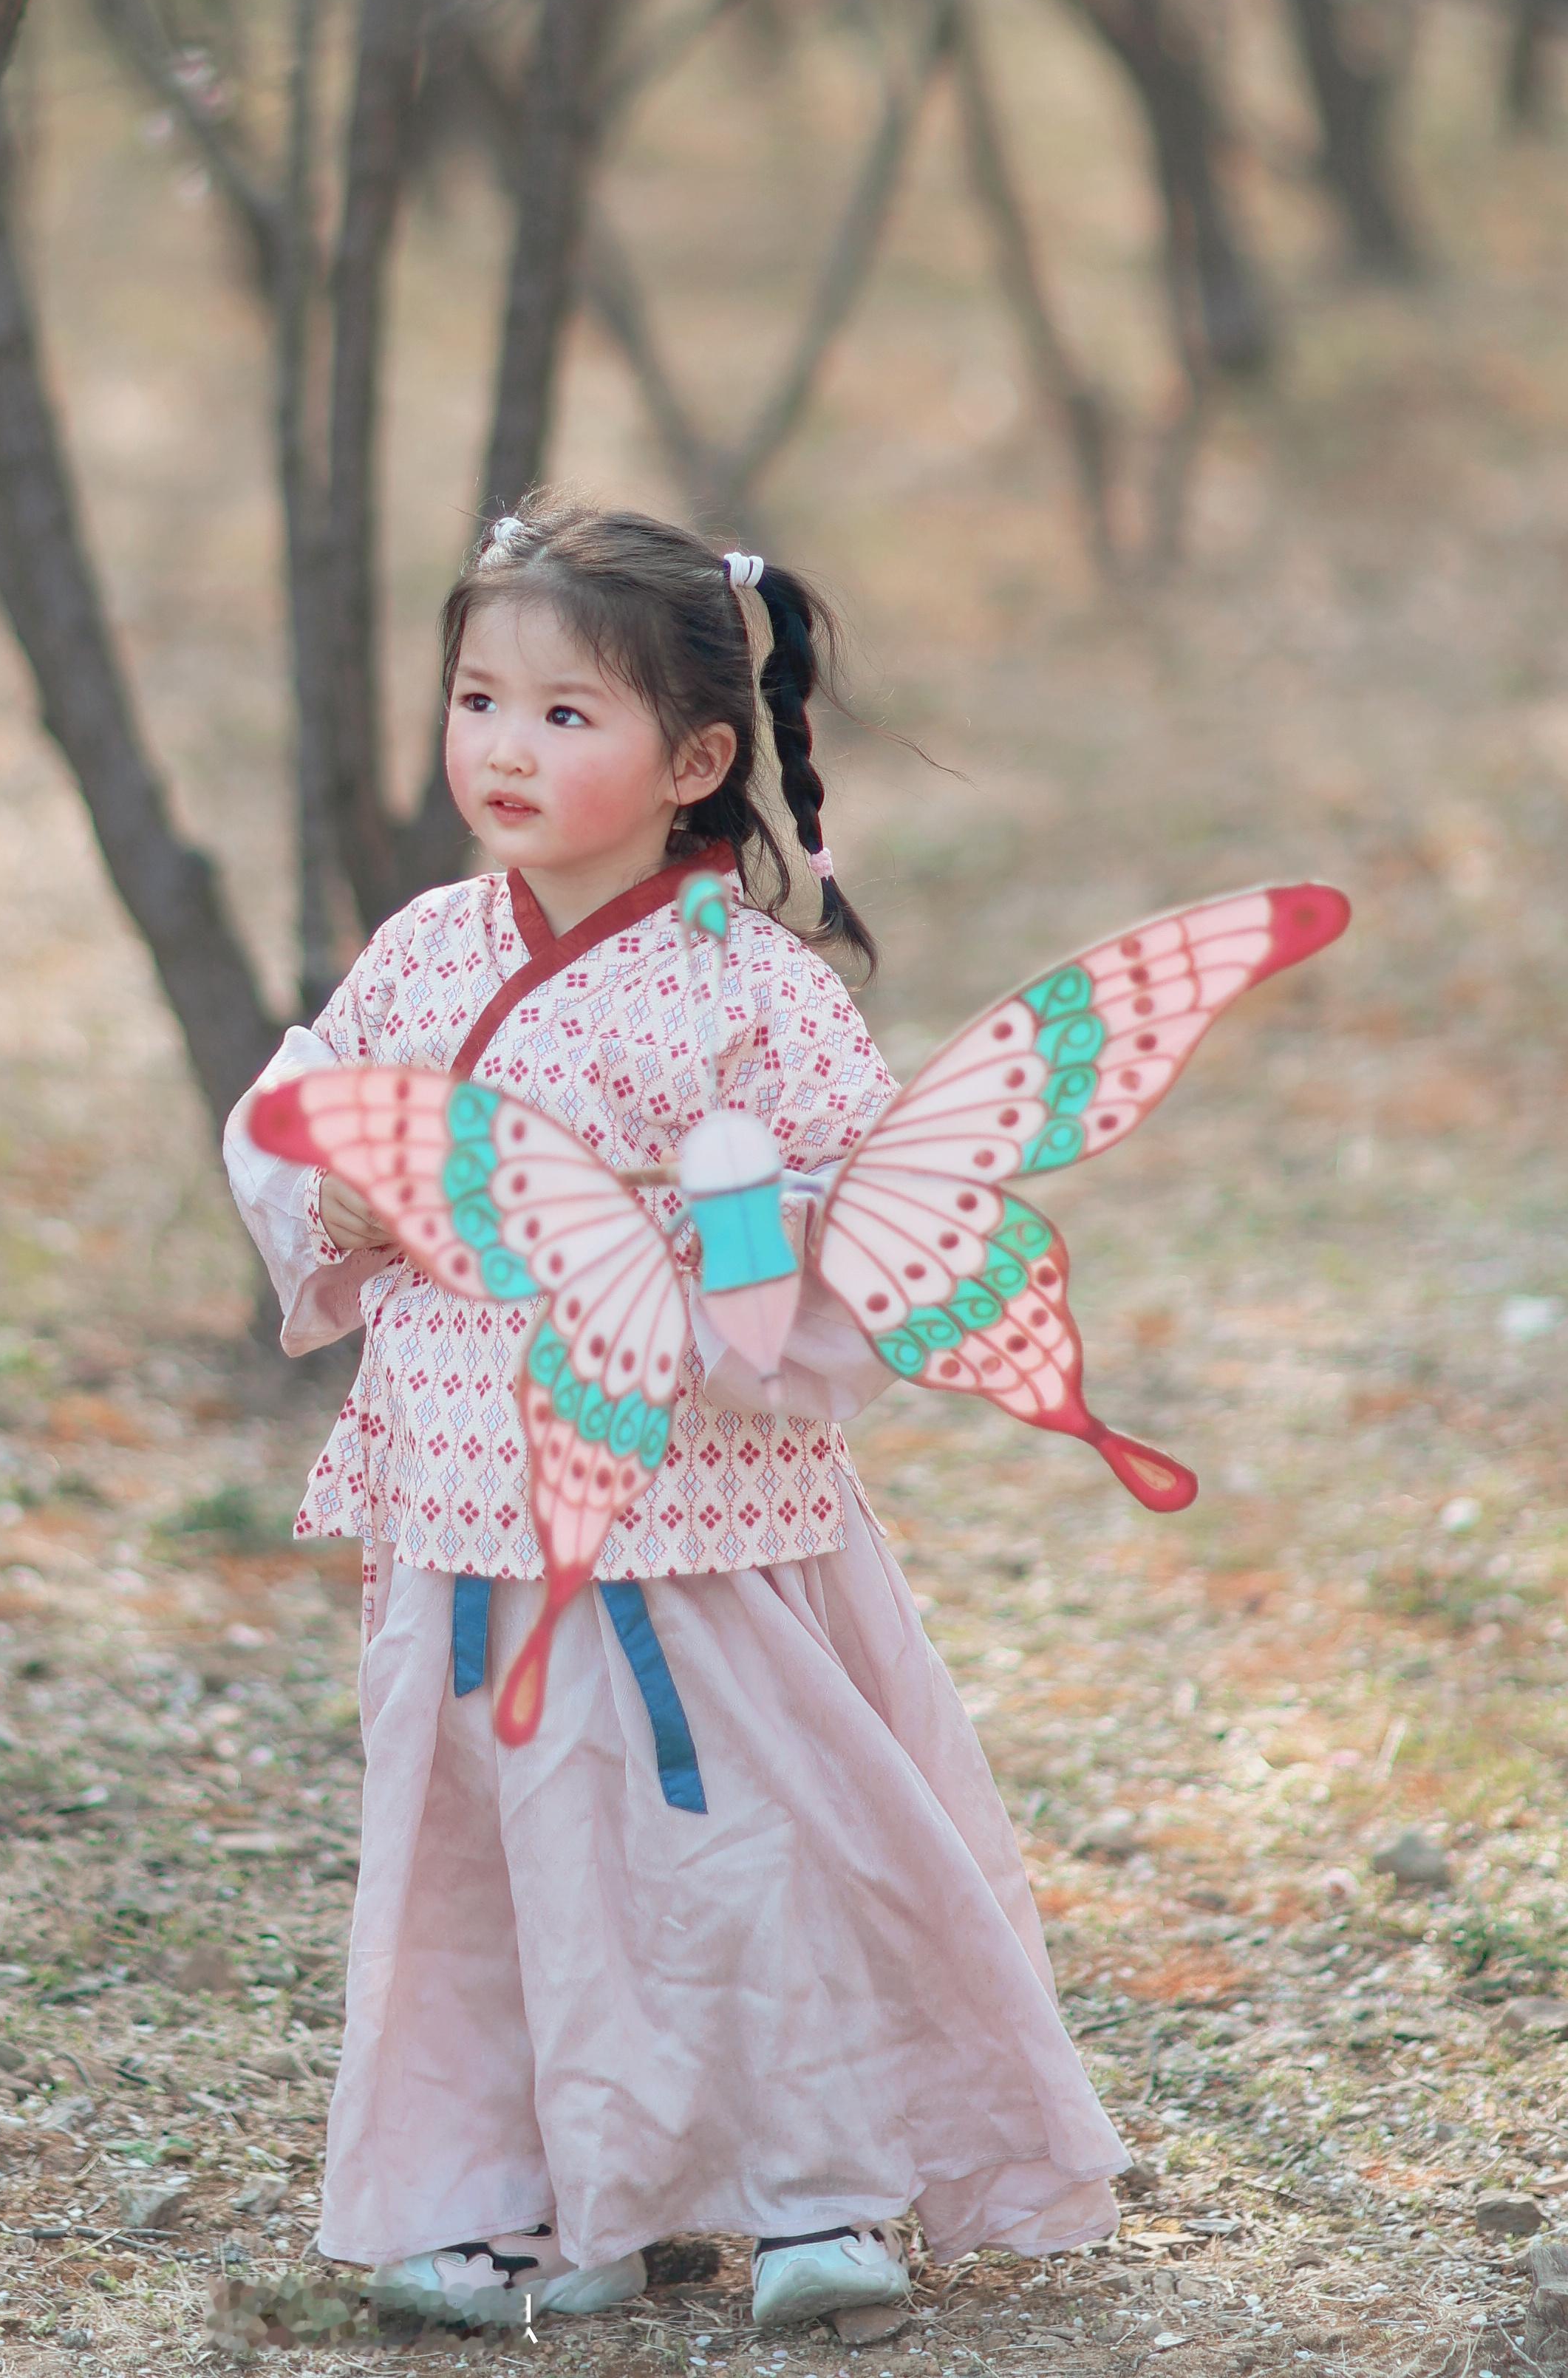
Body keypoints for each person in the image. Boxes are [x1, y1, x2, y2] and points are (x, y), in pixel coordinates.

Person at [225, 494, 1126, 2336]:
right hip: (465, 1499)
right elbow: (297, 1104)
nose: (503, 745)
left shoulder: (755, 995)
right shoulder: (418, 950)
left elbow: (870, 1249)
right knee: (485, 1865)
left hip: (687, 1505)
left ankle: (813, 2182)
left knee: (737, 1845)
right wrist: (329, 1193)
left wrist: (737, 1227)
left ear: (693, 757)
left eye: (566, 714)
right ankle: (505, 2192)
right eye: (480, 697)